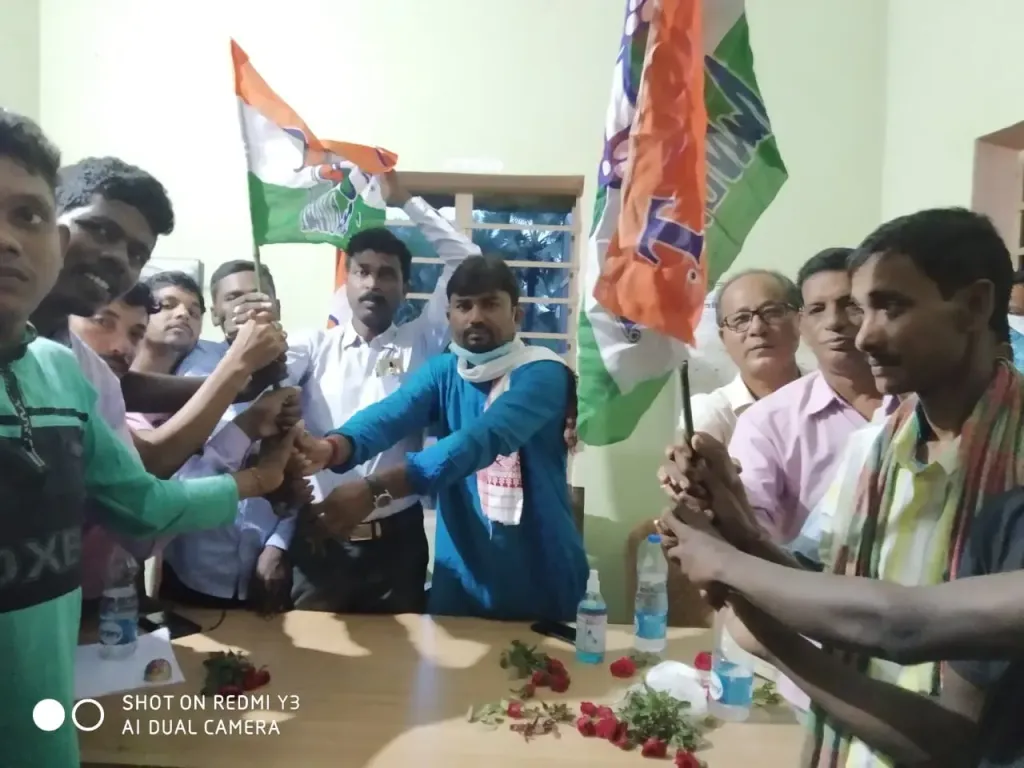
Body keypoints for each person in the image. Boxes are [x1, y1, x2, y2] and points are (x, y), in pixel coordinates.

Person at [663, 208, 1022, 768]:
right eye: (862, 309)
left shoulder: (1014, 466)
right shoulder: (877, 446)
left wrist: (733, 573)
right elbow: (824, 586)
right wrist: (735, 527)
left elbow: (925, 680)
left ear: (974, 306)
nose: (864, 334)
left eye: (891, 307)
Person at [0, 108, 299, 768]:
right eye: (102, 231)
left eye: (26, 216)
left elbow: (140, 497)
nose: (117, 259)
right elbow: (155, 451)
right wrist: (236, 376)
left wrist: (257, 464)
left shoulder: (60, 367)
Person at [297, 255, 588, 620]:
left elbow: (479, 441)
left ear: (517, 315)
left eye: (489, 304)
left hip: (541, 573)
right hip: (461, 580)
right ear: (449, 316)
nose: (475, 317)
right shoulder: (446, 371)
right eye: (463, 306)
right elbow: (390, 414)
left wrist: (375, 490)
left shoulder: (543, 373)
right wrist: (332, 448)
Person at [659, 479, 1024, 767]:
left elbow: (902, 624)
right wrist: (745, 552)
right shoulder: (1006, 518)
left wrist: (725, 562)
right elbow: (954, 738)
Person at [702, 248, 885, 544]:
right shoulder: (764, 423)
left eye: (850, 305)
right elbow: (751, 530)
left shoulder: (922, 400)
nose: (834, 321)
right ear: (802, 324)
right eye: (817, 309)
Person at [684, 269, 802, 444]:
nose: (757, 328)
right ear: (723, 338)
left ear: (800, 322)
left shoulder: (834, 392)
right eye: (741, 319)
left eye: (771, 313)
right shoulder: (710, 414)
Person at [131, 270, 205, 375]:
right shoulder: (109, 372)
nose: (184, 314)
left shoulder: (201, 378)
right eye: (167, 305)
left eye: (193, 313)